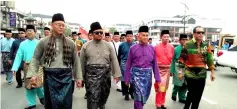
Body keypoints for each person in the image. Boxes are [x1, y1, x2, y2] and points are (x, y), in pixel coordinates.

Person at [27, 13, 83, 109]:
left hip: (66, 77)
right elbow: (35, 58)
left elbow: (76, 61)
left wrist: (79, 78)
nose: (61, 27)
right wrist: (33, 74)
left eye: (63, 25)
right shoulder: (43, 42)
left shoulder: (70, 43)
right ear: (52, 25)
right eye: (58, 25)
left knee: (66, 103)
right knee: (50, 104)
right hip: (50, 76)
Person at [80, 22, 121, 109]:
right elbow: (81, 63)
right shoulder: (85, 46)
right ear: (92, 34)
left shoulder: (108, 46)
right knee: (92, 98)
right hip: (90, 78)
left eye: (101, 32)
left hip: (105, 77)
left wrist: (116, 74)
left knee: (103, 96)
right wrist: (80, 78)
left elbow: (114, 60)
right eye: (97, 33)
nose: (99, 34)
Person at [178, 26, 215, 109]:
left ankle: (189, 107)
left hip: (202, 73)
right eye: (198, 32)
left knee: (198, 94)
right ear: (194, 34)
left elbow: (210, 58)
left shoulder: (206, 44)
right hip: (189, 73)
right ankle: (187, 107)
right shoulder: (187, 44)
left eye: (202, 32)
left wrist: (212, 72)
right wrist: (180, 72)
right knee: (192, 92)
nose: (201, 34)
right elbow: (182, 59)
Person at [124, 26, 161, 109]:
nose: (145, 37)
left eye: (147, 35)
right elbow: (128, 64)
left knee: (144, 97)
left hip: (147, 77)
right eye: (143, 35)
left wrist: (157, 79)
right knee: (138, 97)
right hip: (136, 76)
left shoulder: (152, 48)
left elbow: (155, 64)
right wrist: (126, 78)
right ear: (138, 36)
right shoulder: (133, 48)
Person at [11, 25, 45, 109]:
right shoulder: (22, 44)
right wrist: (15, 67)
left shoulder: (39, 43)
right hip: (27, 66)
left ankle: (42, 97)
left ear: (35, 32)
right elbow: (19, 56)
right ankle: (32, 104)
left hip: (38, 66)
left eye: (31, 30)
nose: (29, 32)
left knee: (38, 84)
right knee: (29, 86)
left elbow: (44, 56)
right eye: (28, 30)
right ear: (26, 33)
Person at [154, 30, 174, 109]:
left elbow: (172, 60)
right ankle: (158, 104)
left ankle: (162, 103)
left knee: (165, 87)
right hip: (159, 70)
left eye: (167, 37)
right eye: (164, 37)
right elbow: (153, 60)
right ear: (161, 37)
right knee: (159, 87)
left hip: (167, 69)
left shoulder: (171, 47)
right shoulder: (156, 47)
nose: (166, 38)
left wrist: (171, 70)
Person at [117, 30, 136, 101]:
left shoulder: (135, 45)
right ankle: (126, 93)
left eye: (131, 36)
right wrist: (118, 65)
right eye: (128, 36)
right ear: (125, 37)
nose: (129, 37)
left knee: (133, 79)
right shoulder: (121, 45)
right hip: (124, 63)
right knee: (124, 79)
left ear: (133, 36)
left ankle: (131, 92)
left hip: (133, 64)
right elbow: (119, 56)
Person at [170, 34, 188, 104]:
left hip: (187, 67)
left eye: (186, 39)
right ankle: (174, 93)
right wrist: (171, 71)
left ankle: (182, 97)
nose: (185, 41)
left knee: (185, 84)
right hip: (178, 67)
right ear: (180, 41)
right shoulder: (176, 49)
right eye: (183, 39)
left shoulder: (189, 48)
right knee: (178, 83)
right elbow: (173, 60)